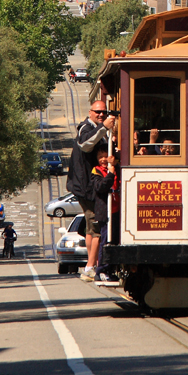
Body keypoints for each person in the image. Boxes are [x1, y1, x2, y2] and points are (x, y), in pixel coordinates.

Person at [66, 99, 115, 280]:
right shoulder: (86, 128)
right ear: (90, 112)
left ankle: (91, 263)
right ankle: (90, 267)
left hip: (86, 186)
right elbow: (85, 144)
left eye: (103, 112)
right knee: (96, 226)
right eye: (98, 112)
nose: (101, 114)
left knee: (89, 228)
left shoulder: (94, 127)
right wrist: (103, 128)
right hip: (87, 187)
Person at [90, 143, 120, 284]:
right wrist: (110, 173)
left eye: (105, 156)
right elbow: (101, 187)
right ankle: (101, 270)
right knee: (105, 240)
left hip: (117, 209)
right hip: (105, 211)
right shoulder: (96, 171)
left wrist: (114, 168)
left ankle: (111, 269)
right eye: (100, 157)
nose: (103, 159)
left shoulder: (116, 168)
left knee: (115, 241)